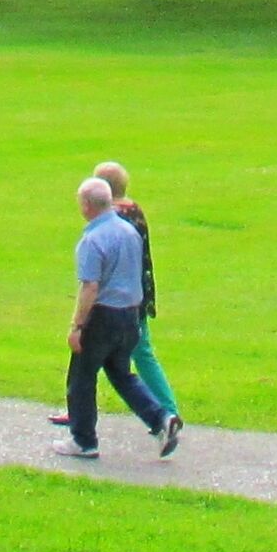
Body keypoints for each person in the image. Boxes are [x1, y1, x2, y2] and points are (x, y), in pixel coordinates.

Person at [61, 175, 155, 459]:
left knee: (81, 376)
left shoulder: (93, 239)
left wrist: (77, 326)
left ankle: (84, 440)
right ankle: (161, 419)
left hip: (104, 316)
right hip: (130, 314)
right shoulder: (129, 232)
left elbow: (90, 286)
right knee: (122, 374)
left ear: (87, 205)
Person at [95, 161, 186, 453]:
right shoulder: (134, 210)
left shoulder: (116, 218)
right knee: (139, 352)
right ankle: (167, 411)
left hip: (120, 301)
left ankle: (166, 411)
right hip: (138, 295)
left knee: (107, 354)